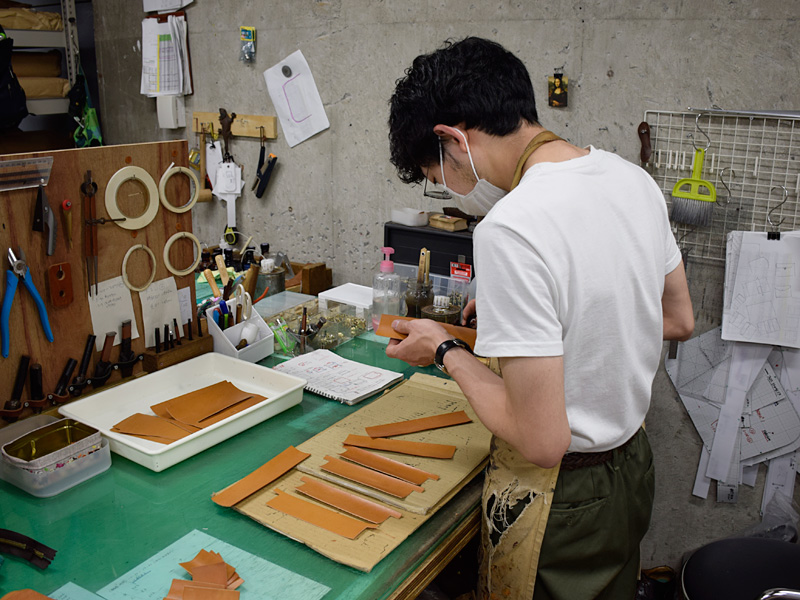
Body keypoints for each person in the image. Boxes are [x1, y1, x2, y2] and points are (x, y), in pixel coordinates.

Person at [386, 37, 694, 600]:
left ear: (454, 140)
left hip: (564, 499)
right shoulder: (633, 181)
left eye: (441, 174)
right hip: (631, 467)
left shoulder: (511, 227)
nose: (453, 192)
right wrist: (543, 318)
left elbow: (542, 440)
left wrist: (443, 350)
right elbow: (677, 318)